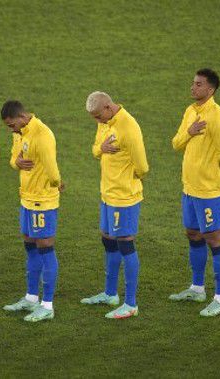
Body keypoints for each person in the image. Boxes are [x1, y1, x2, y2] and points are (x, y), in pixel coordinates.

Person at [169, 68, 220, 317]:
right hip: (189, 189)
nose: (193, 88)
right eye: (192, 83)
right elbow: (176, 143)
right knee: (193, 234)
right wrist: (190, 132)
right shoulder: (190, 112)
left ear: (210, 90)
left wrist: (209, 169)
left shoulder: (217, 116)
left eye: (198, 85)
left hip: (209, 191)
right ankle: (197, 288)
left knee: (215, 240)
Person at [81, 91, 149, 319]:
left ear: (109, 107)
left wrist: (128, 180)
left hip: (124, 197)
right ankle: (110, 294)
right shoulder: (105, 122)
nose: (97, 121)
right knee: (107, 240)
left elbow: (143, 167)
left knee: (125, 244)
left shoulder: (128, 128)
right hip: (107, 194)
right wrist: (101, 149)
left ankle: (131, 304)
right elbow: (94, 150)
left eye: (98, 116)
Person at [1, 100, 62, 322]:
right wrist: (16, 162)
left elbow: (52, 169)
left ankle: (47, 305)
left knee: (45, 246)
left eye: (11, 125)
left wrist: (56, 184)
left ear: (21, 116)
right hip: (26, 198)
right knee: (30, 244)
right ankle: (31, 298)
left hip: (41, 201)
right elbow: (13, 158)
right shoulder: (20, 132)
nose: (11, 129)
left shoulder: (42, 135)